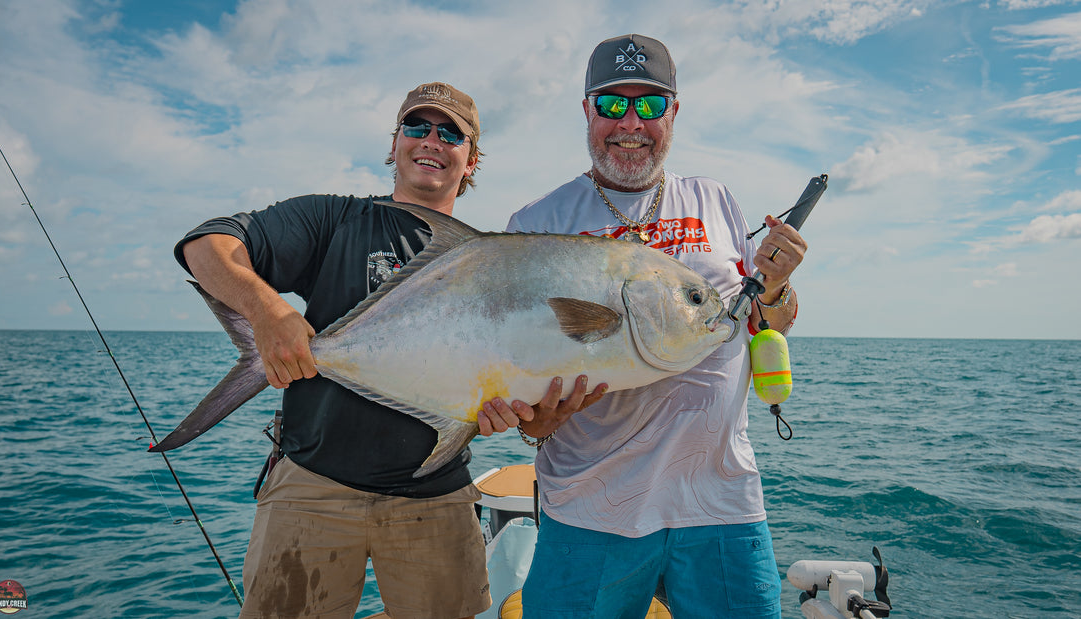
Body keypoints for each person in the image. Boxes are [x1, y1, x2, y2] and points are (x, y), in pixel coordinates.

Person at [480, 35, 807, 618]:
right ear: (586, 110)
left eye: (650, 106)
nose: (631, 122)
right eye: (612, 104)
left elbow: (765, 320)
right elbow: (515, 361)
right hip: (590, 509)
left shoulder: (718, 201)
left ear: (674, 113)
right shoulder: (536, 223)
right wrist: (535, 423)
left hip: (721, 504)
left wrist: (777, 286)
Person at [175, 82, 516, 619]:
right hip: (312, 484)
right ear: (395, 142)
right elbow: (206, 245)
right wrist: (269, 313)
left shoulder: (491, 262)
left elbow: (500, 366)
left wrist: (507, 409)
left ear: (471, 161)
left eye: (451, 133)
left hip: (437, 494)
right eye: (417, 126)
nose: (432, 140)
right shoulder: (334, 219)